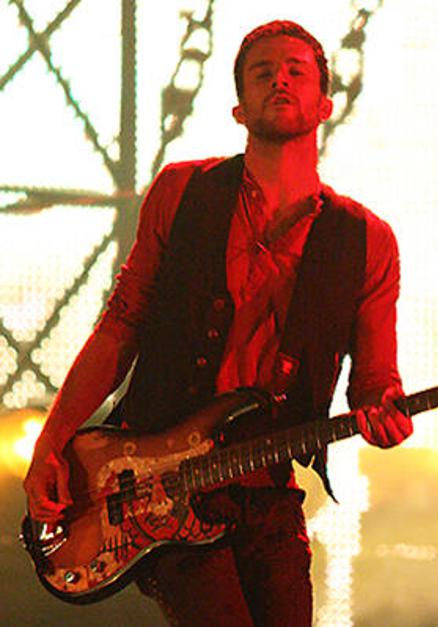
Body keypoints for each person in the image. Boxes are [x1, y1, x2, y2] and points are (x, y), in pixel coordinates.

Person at [23, 19, 412, 625]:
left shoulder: (368, 240)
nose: (279, 80)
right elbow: (119, 327)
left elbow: (374, 381)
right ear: (238, 109)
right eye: (262, 73)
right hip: (161, 483)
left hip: (269, 492)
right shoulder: (182, 191)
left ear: (325, 104)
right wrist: (52, 442)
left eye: (295, 71)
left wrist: (384, 411)